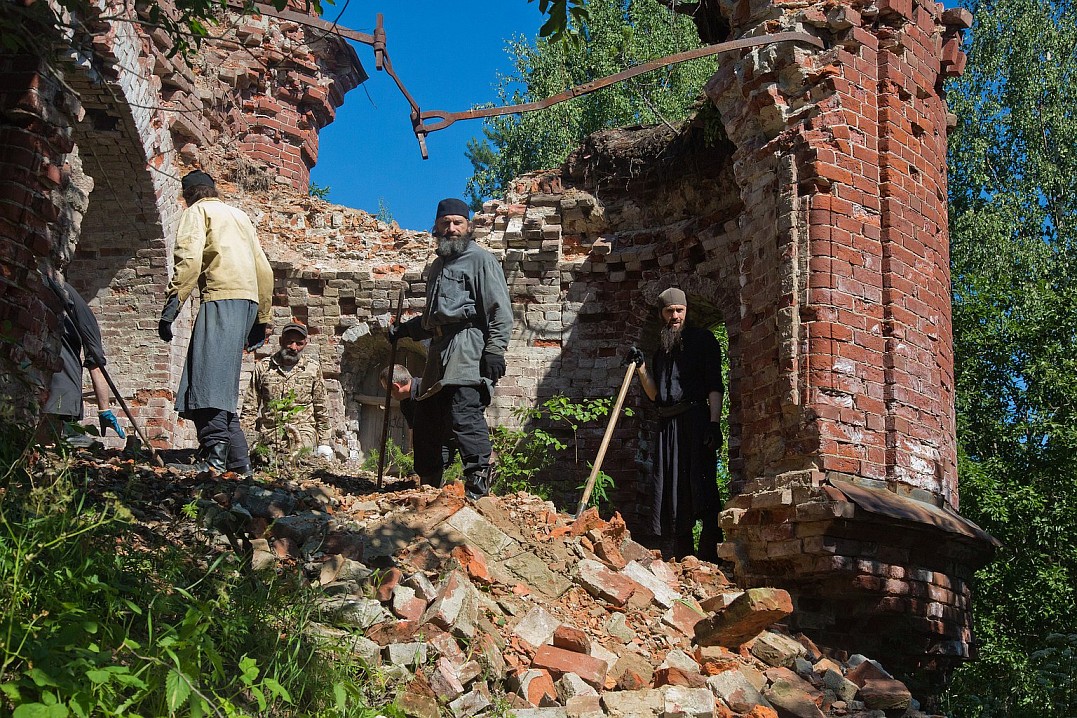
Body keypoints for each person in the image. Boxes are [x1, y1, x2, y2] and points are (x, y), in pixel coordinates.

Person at [388, 198, 513, 500]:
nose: (452, 228)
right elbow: (434, 319)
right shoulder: (437, 266)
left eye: (458, 223)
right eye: (445, 223)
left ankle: (478, 484)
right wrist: (405, 331)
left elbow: (500, 310)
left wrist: (495, 350)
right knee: (428, 415)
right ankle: (429, 484)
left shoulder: (481, 260)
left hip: (469, 347)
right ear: (436, 227)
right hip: (439, 351)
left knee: (464, 410)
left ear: (468, 227)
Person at [158, 170, 274, 473]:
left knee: (206, 381)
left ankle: (214, 460)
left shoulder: (197, 212)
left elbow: (189, 261)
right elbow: (264, 269)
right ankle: (239, 463)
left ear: (189, 195)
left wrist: (171, 308)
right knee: (220, 385)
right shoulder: (240, 216)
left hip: (222, 298)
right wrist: (261, 318)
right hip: (248, 302)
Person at [625, 287, 724, 562]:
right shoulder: (662, 352)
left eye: (680, 310)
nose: (675, 316)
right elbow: (656, 396)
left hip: (696, 421)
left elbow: (715, 385)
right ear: (662, 314)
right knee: (673, 488)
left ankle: (710, 554)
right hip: (668, 426)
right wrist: (642, 367)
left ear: (686, 311)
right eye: (670, 311)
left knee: (702, 483)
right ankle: (682, 556)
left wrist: (714, 424)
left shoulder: (703, 340)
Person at [42, 279, 126, 446]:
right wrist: (104, 409)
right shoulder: (85, 316)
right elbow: (96, 365)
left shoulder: (49, 285)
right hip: (63, 393)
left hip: (43, 387)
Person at [242, 320, 333, 461]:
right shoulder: (264, 367)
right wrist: (244, 437)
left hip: (303, 430)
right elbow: (250, 406)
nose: (293, 347)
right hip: (270, 431)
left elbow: (321, 408)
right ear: (281, 341)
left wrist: (324, 442)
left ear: (305, 344)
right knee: (265, 460)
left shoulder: (312, 369)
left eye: (299, 343)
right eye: (289, 342)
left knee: (298, 458)